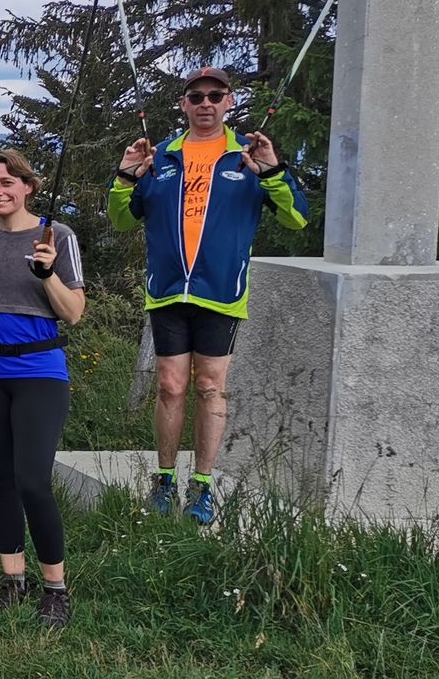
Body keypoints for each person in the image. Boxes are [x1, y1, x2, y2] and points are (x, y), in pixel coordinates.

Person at [108, 67, 309, 524]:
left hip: (220, 292)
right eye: (196, 96)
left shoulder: (248, 156)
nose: (205, 103)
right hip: (167, 292)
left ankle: (202, 484)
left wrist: (274, 170)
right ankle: (163, 479)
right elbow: (121, 219)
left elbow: (297, 219)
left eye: (215, 96)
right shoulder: (161, 158)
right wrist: (124, 176)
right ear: (183, 104)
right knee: (170, 386)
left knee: (210, 386)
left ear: (229, 102)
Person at [0, 149, 86, 628]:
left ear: (28, 185)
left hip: (39, 370)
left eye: (7, 182)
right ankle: (13, 577)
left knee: (33, 479)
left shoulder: (57, 236)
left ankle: (56, 588)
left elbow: (73, 312)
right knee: (0, 479)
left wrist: (47, 274)